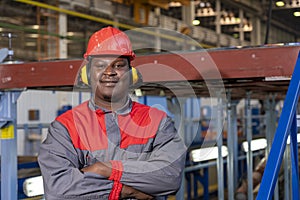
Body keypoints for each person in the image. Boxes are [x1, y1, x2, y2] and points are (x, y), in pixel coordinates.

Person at [38, 26, 187, 200]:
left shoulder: (157, 121)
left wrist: (103, 169)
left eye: (118, 65)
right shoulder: (66, 126)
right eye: (100, 65)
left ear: (131, 75)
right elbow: (58, 190)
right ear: (87, 74)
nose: (109, 72)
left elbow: (170, 177)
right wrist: (127, 190)